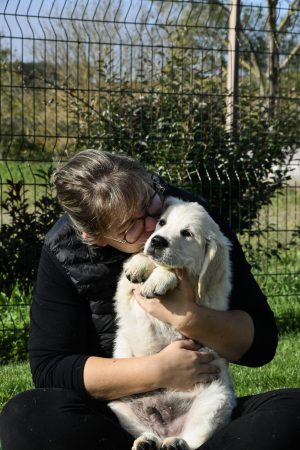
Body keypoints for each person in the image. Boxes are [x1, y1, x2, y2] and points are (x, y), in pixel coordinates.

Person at [0, 149, 299, 450]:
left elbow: (261, 343)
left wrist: (186, 316)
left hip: (197, 408)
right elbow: (52, 370)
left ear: (150, 182)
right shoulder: (64, 251)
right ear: (95, 236)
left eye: (150, 204)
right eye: (129, 226)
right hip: (122, 414)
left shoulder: (189, 216)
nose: (152, 227)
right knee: (25, 415)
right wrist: (159, 370)